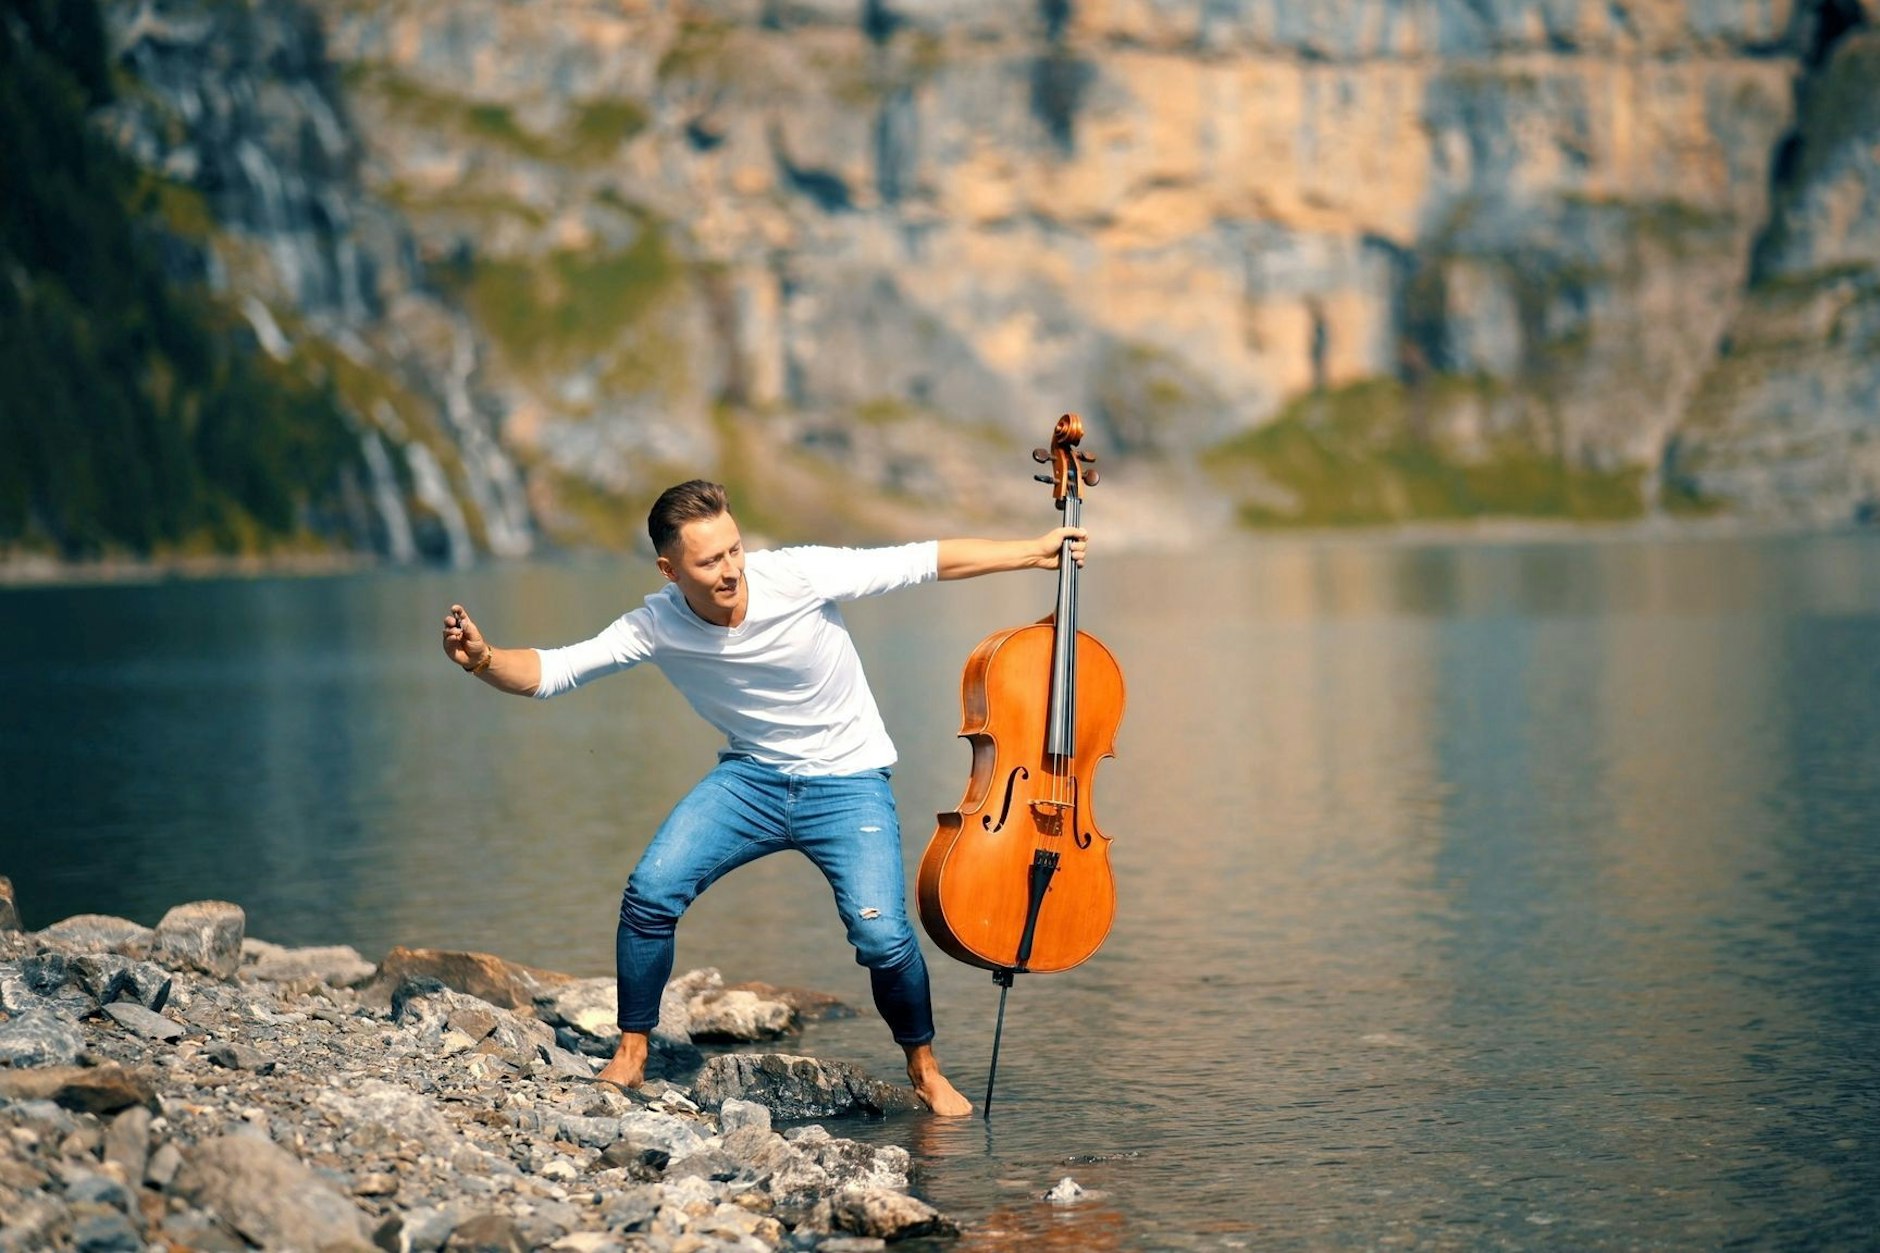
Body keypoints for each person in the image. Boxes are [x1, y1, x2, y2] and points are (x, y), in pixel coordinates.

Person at [440, 479, 1087, 1117]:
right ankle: (632, 1049)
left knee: (881, 935)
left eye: (733, 550)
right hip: (751, 780)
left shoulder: (798, 574)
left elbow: (922, 561)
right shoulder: (656, 623)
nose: (729, 571)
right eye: (708, 561)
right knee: (650, 890)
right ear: (670, 569)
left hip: (848, 782)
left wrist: (1032, 551)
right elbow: (553, 671)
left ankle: (924, 1066)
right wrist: (482, 657)